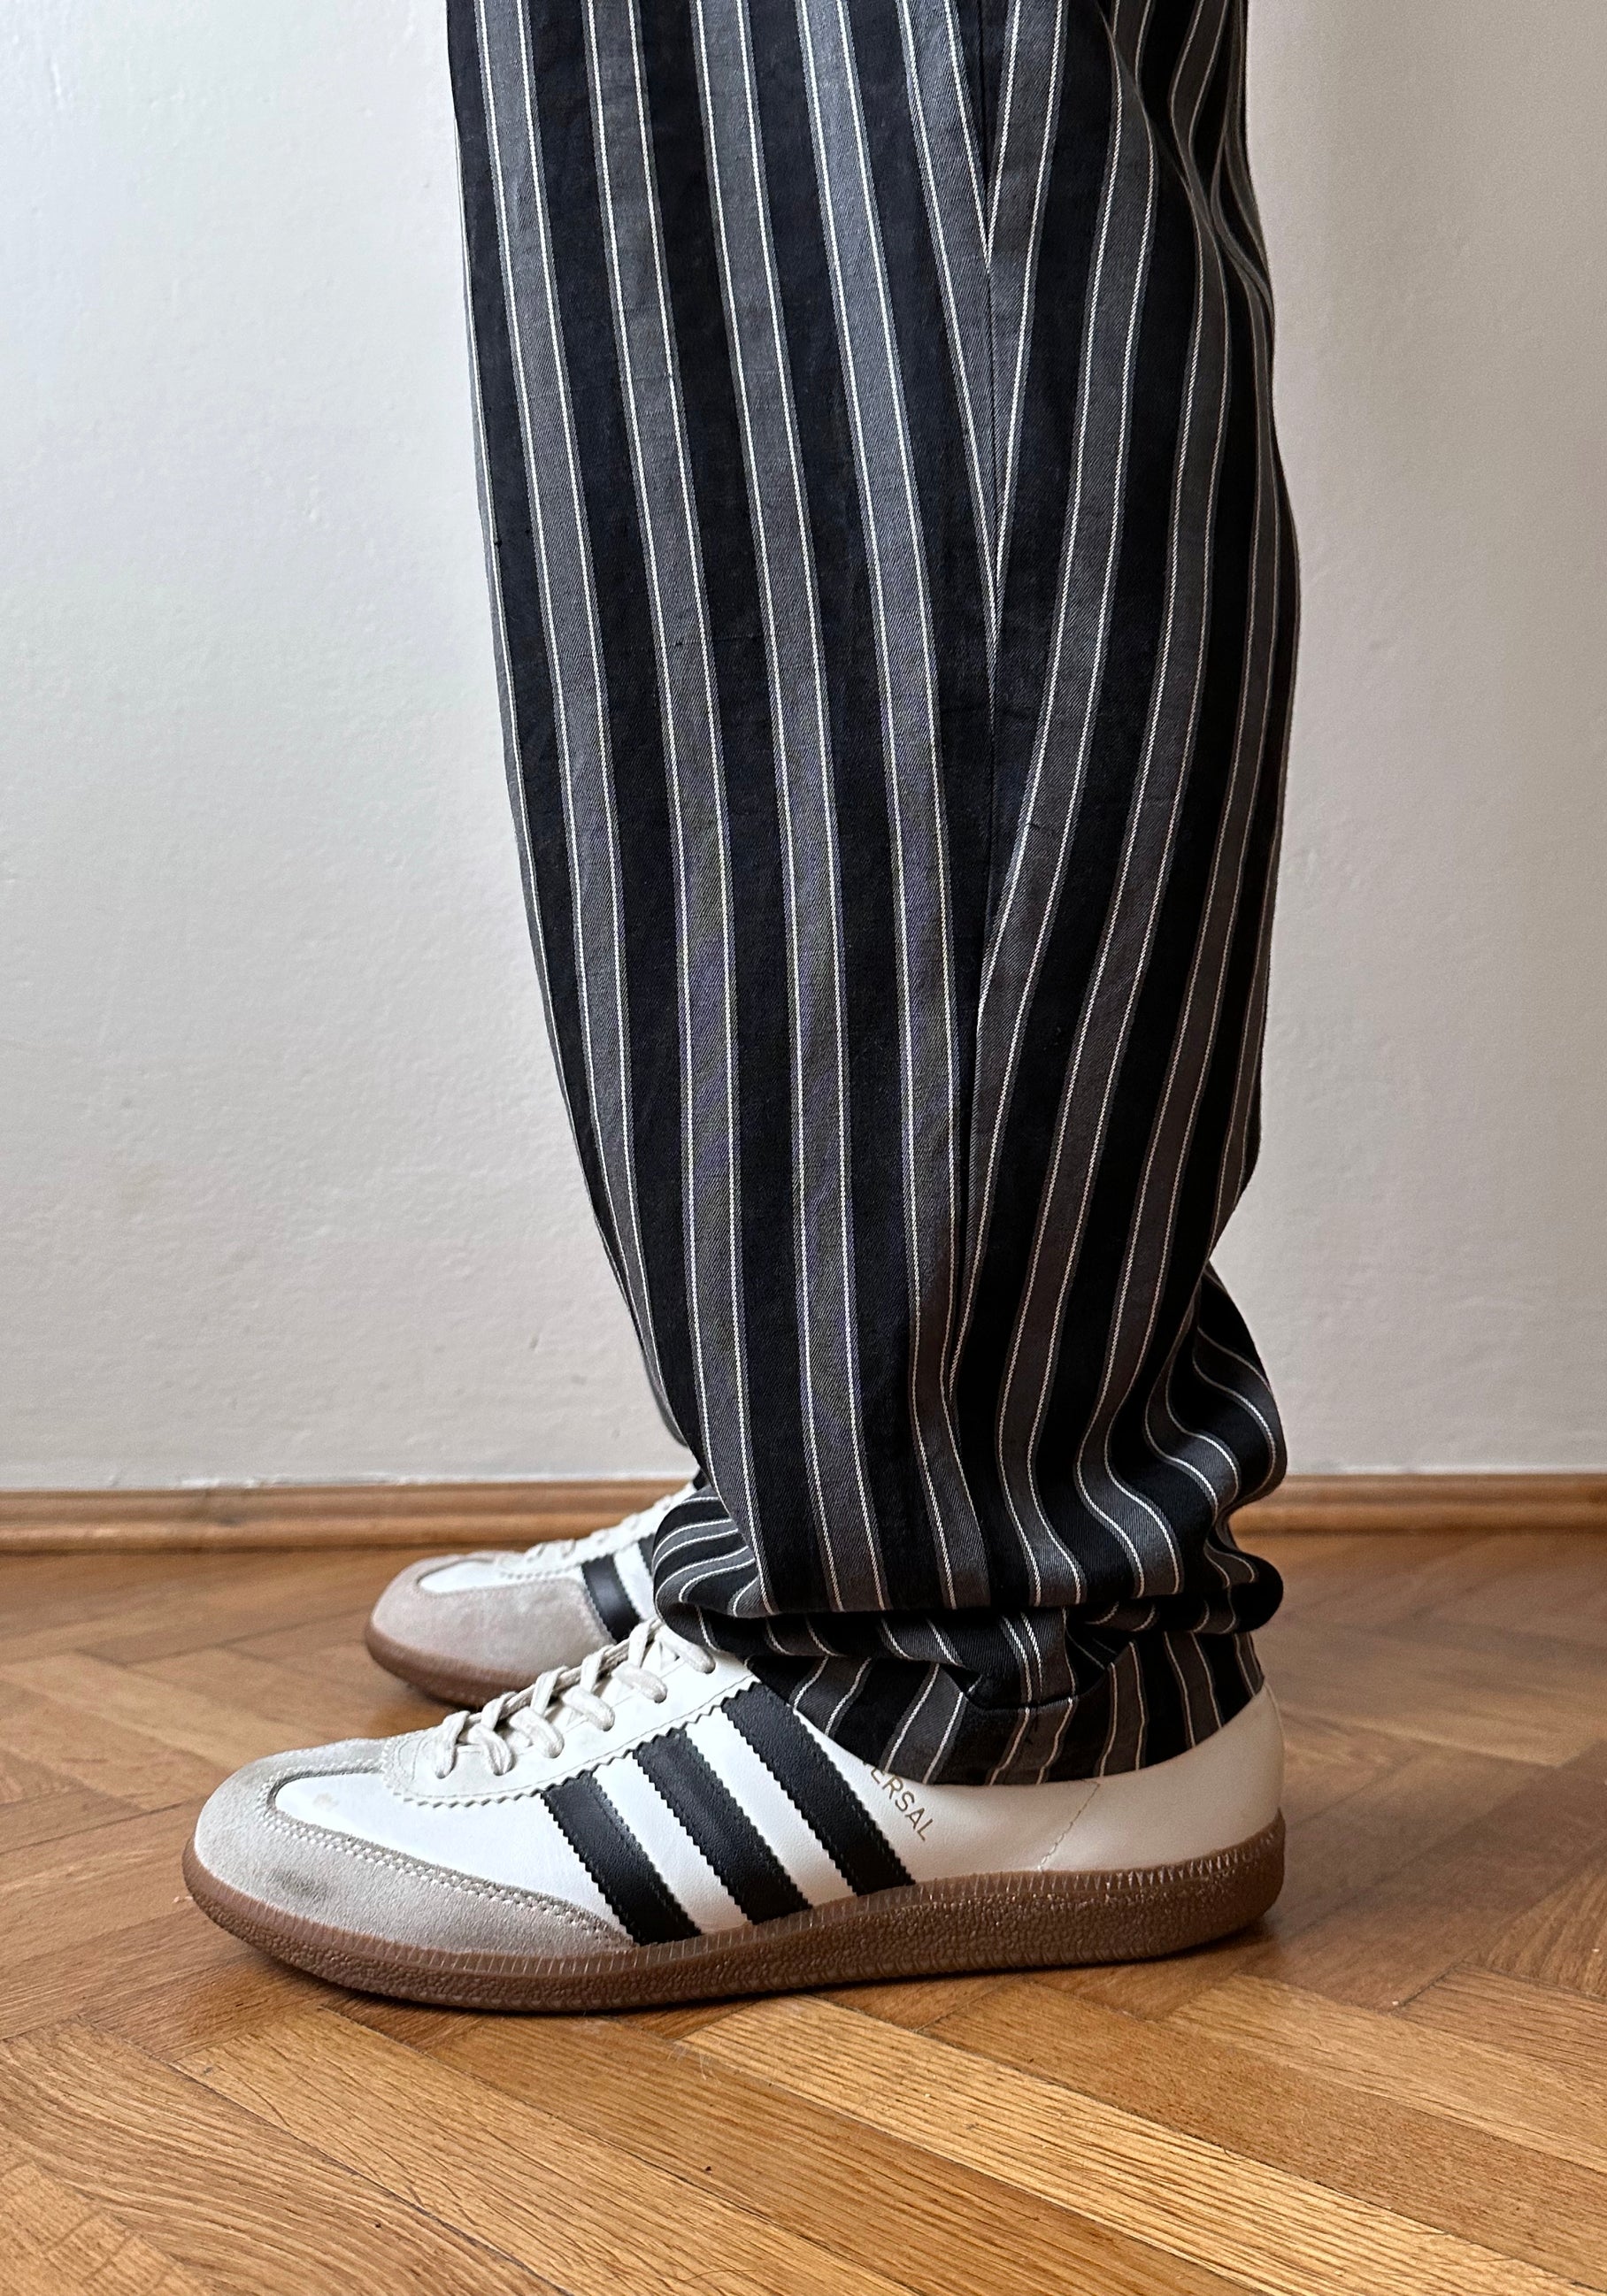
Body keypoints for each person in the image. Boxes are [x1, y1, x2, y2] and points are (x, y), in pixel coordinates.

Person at [185, 0, 1297, 2010]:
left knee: (914, 169)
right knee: (701, 204)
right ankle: (849, 1486)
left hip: (973, 1650)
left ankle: (973, 1633)